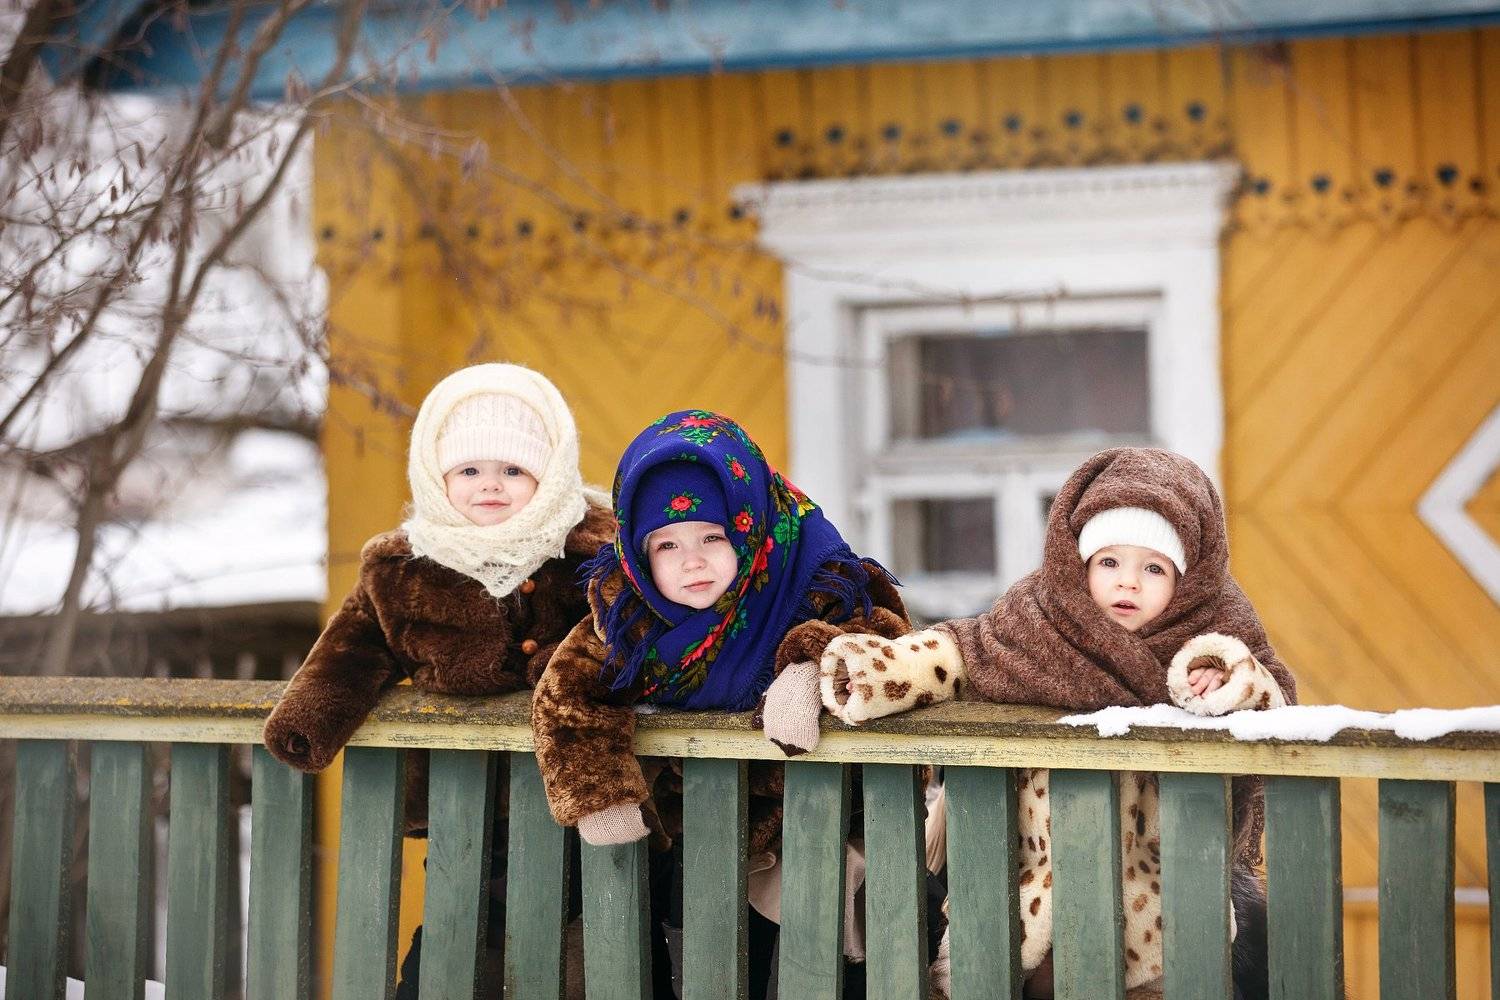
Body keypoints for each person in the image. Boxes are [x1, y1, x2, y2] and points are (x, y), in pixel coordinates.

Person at [819, 447, 1294, 1000]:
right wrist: (877, 673)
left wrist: (1228, 679)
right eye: (1109, 562)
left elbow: (1275, 702)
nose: (1128, 583)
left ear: (1188, 578)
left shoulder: (1214, 628)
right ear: (1080, 562)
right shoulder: (1038, 617)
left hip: (1161, 902)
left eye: (1154, 568)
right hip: (1023, 891)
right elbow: (960, 652)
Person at [531, 409, 917, 999]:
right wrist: (600, 797)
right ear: (637, 552)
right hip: (692, 838)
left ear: (749, 525)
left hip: (816, 826)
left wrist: (811, 667)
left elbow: (886, 641)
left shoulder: (813, 578)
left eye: (712, 537)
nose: (692, 560)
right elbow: (567, 698)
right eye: (667, 544)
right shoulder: (628, 614)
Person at [261, 362, 612, 997]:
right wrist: (308, 721)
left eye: (514, 470)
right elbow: (353, 648)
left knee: (583, 951)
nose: (491, 485)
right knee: (459, 943)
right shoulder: (403, 570)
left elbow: (631, 632)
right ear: (436, 475)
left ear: (550, 475)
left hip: (582, 797)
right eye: (469, 470)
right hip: (462, 804)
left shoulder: (593, 554)